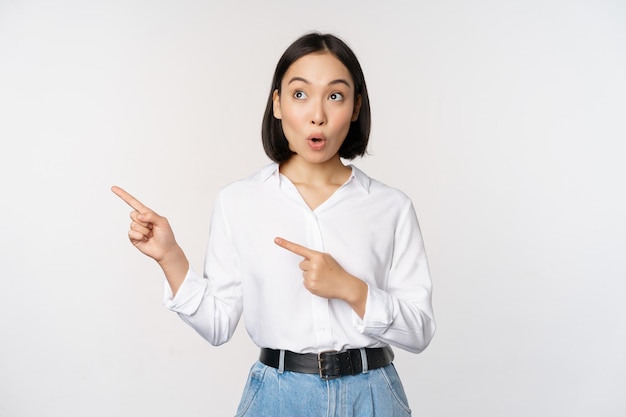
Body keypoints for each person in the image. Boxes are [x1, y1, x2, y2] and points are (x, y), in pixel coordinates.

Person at [112, 32, 435, 417]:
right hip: (279, 398)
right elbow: (217, 325)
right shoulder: (239, 201)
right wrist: (170, 258)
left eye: (335, 95)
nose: (318, 114)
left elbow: (419, 332)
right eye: (300, 94)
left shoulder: (390, 207)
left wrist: (352, 289)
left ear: (355, 106)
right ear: (278, 103)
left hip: (372, 397)